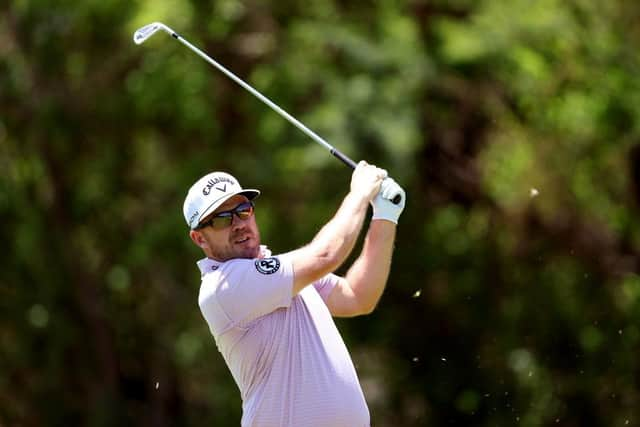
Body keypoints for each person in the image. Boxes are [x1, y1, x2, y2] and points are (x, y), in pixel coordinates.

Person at [183, 162, 406, 427]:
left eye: (243, 210)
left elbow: (358, 296)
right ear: (199, 238)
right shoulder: (222, 287)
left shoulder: (284, 276)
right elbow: (325, 255)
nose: (238, 224)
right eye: (222, 219)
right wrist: (359, 193)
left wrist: (385, 216)